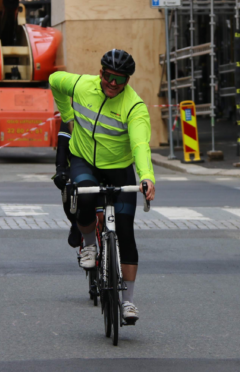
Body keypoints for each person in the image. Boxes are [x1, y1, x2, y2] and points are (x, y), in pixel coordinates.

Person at [49, 49, 156, 323]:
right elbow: (54, 80)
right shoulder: (82, 85)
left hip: (119, 169)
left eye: (120, 80)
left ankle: (128, 301)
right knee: (84, 200)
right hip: (84, 160)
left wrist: (147, 177)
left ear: (127, 81)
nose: (113, 83)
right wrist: (67, 114)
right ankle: (88, 245)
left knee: (125, 232)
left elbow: (140, 145)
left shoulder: (135, 107)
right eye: (109, 76)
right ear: (101, 73)